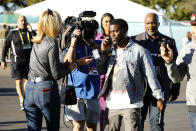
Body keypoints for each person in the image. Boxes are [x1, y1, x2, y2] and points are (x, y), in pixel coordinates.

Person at [24, 9, 94, 131]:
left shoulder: (37, 40)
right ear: (54, 23)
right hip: (45, 89)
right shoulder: (51, 42)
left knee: (33, 128)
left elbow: (46, 66)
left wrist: (66, 64)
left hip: (30, 88)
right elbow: (57, 74)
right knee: (53, 127)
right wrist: (78, 63)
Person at [97, 18, 164, 131]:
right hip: (112, 103)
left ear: (125, 31)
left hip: (131, 103)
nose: (112, 35)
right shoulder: (109, 51)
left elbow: (151, 76)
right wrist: (103, 53)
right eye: (110, 32)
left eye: (115, 31)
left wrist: (159, 97)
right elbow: (101, 71)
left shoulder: (140, 51)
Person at [131, 13, 180, 131]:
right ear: (144, 24)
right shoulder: (135, 41)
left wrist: (175, 89)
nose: (151, 26)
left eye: (153, 23)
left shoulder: (169, 42)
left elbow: (175, 67)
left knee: (156, 124)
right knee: (137, 123)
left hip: (160, 91)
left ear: (158, 23)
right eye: (148, 23)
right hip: (139, 91)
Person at [160, 12, 196, 131]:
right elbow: (177, 78)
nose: (193, 30)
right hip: (194, 105)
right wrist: (170, 62)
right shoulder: (187, 50)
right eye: (192, 26)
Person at [64, 17, 102, 131]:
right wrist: (73, 42)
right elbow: (68, 62)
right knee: (78, 125)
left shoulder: (97, 44)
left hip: (93, 93)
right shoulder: (74, 46)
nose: (94, 33)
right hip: (76, 92)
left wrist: (90, 42)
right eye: (91, 31)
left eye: (95, 31)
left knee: (91, 127)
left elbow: (105, 51)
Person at [1, 16, 35, 110]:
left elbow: (37, 40)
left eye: (24, 21)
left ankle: (26, 99)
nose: (23, 22)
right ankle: (22, 100)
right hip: (17, 61)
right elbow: (5, 46)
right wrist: (3, 60)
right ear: (18, 22)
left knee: (27, 81)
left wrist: (31, 30)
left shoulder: (29, 32)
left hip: (28, 61)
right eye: (21, 21)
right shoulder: (13, 33)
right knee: (19, 81)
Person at [96, 13, 114, 131]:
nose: (108, 24)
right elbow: (96, 58)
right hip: (102, 78)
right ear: (101, 24)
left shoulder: (118, 37)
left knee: (114, 111)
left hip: (116, 77)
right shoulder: (97, 38)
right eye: (105, 22)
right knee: (103, 110)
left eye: (110, 21)